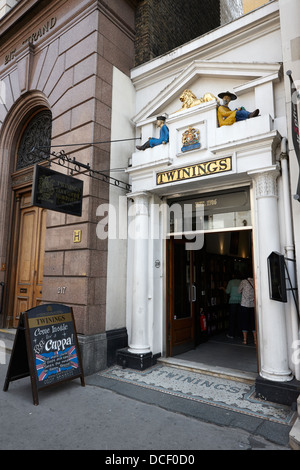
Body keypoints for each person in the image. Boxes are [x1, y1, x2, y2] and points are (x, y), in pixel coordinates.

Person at [238, 274, 256, 345]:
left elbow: (239, 291)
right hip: (253, 304)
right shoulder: (255, 281)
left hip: (244, 304)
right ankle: (255, 340)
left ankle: (245, 340)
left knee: (244, 321)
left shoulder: (243, 282)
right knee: (253, 322)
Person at [224, 271, 242, 339]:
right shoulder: (241, 282)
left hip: (233, 302)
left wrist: (223, 288)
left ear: (233, 275)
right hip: (240, 301)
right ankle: (239, 334)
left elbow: (227, 291)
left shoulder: (231, 282)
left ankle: (231, 334)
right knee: (239, 318)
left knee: (232, 318)